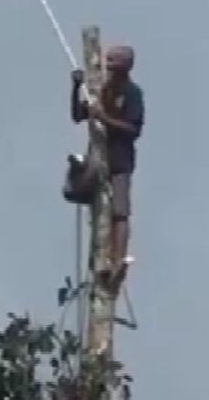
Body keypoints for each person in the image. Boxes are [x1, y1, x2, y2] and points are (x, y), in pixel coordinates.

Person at [69, 45, 144, 279]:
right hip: (98, 157)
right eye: (107, 59)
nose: (107, 63)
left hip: (121, 159)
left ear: (125, 65)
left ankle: (118, 259)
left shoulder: (132, 93)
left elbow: (133, 129)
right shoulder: (101, 89)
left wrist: (104, 118)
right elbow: (77, 115)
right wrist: (76, 88)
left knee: (119, 212)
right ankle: (100, 257)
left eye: (113, 60)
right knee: (92, 201)